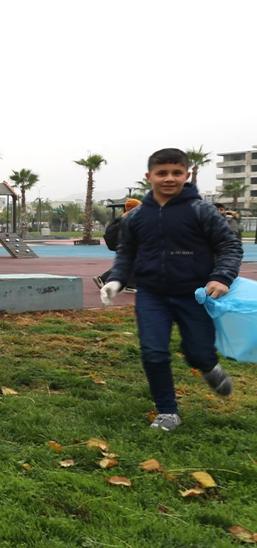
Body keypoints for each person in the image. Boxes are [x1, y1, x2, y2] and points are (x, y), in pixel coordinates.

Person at [101, 148, 242, 432]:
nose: (169, 178)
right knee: (153, 351)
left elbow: (229, 245)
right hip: (151, 295)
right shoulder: (136, 216)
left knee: (198, 352)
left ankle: (208, 367)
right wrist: (116, 279)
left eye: (176, 173)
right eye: (162, 173)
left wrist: (221, 277)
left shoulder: (201, 211)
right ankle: (167, 412)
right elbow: (126, 252)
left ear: (186, 175)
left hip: (195, 295)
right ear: (149, 176)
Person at [94, 198, 141, 291]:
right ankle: (130, 285)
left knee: (128, 263)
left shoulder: (122, 217)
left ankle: (103, 278)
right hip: (127, 245)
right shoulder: (131, 218)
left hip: (122, 244)